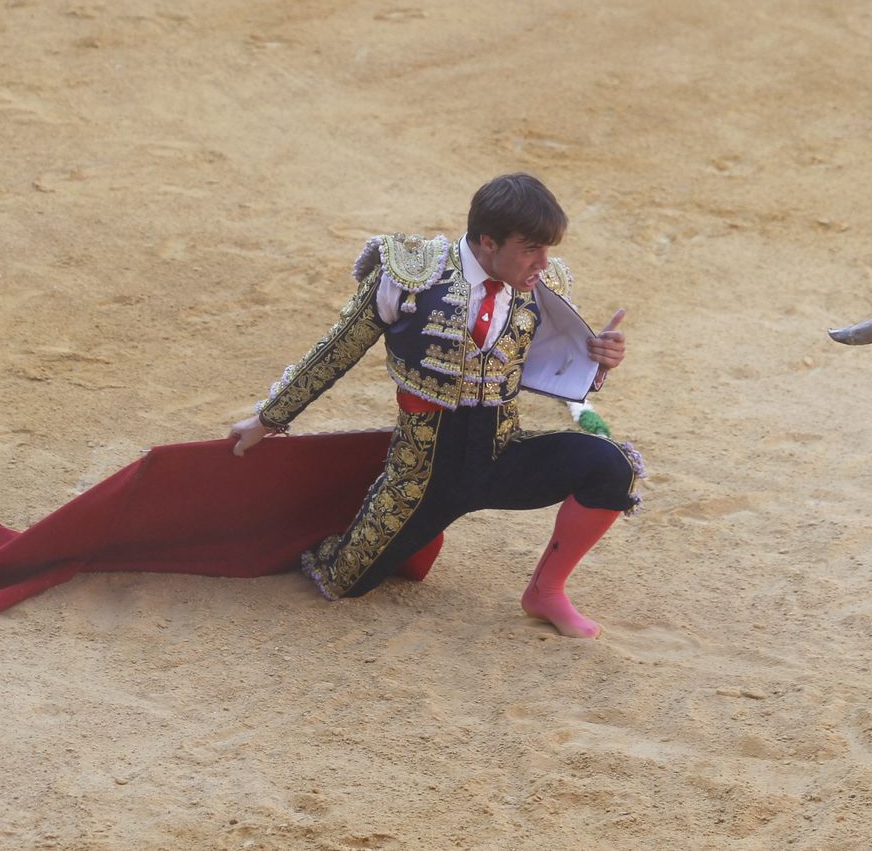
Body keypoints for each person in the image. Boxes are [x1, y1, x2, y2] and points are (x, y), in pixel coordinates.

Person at [228, 172, 640, 637]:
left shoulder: (542, 286)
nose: (544, 263)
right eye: (530, 249)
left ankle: (546, 592)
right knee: (343, 581)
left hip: (501, 453)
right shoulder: (409, 275)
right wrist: (268, 419)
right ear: (488, 242)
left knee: (611, 467)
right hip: (420, 474)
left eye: (546, 250)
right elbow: (337, 350)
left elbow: (547, 362)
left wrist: (595, 356)